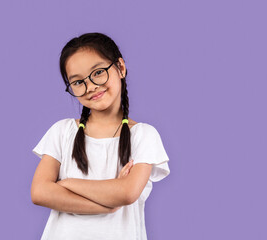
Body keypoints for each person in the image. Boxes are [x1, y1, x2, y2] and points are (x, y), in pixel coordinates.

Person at [31, 32, 170, 240]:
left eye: (98, 72)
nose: (90, 87)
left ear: (120, 68)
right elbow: (40, 192)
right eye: (77, 82)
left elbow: (127, 193)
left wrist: (66, 183)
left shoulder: (144, 135)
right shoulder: (62, 131)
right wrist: (107, 206)